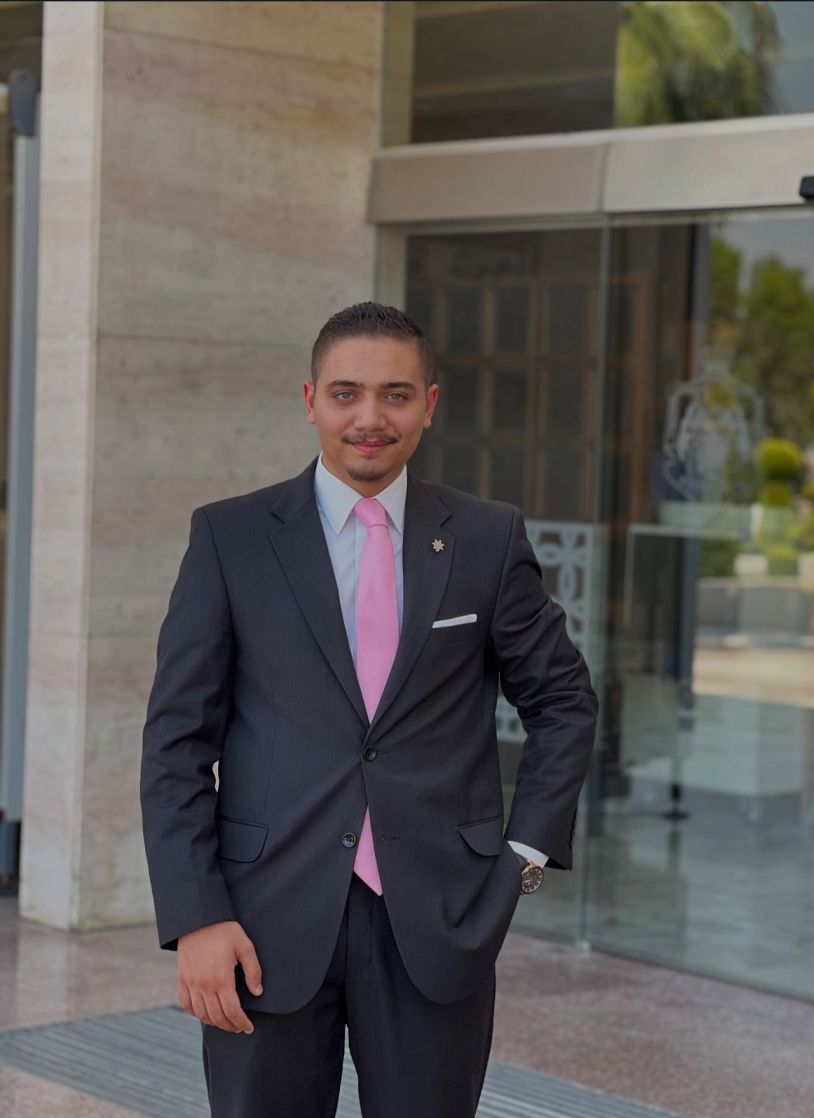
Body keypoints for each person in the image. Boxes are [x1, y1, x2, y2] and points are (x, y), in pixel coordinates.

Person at [140, 301, 598, 1118]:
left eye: (395, 394)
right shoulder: (230, 538)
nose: (370, 418)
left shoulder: (487, 539)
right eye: (346, 393)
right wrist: (196, 915)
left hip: (441, 919)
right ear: (310, 399)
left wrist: (523, 858)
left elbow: (563, 702)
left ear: (429, 404)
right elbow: (177, 741)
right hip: (261, 921)